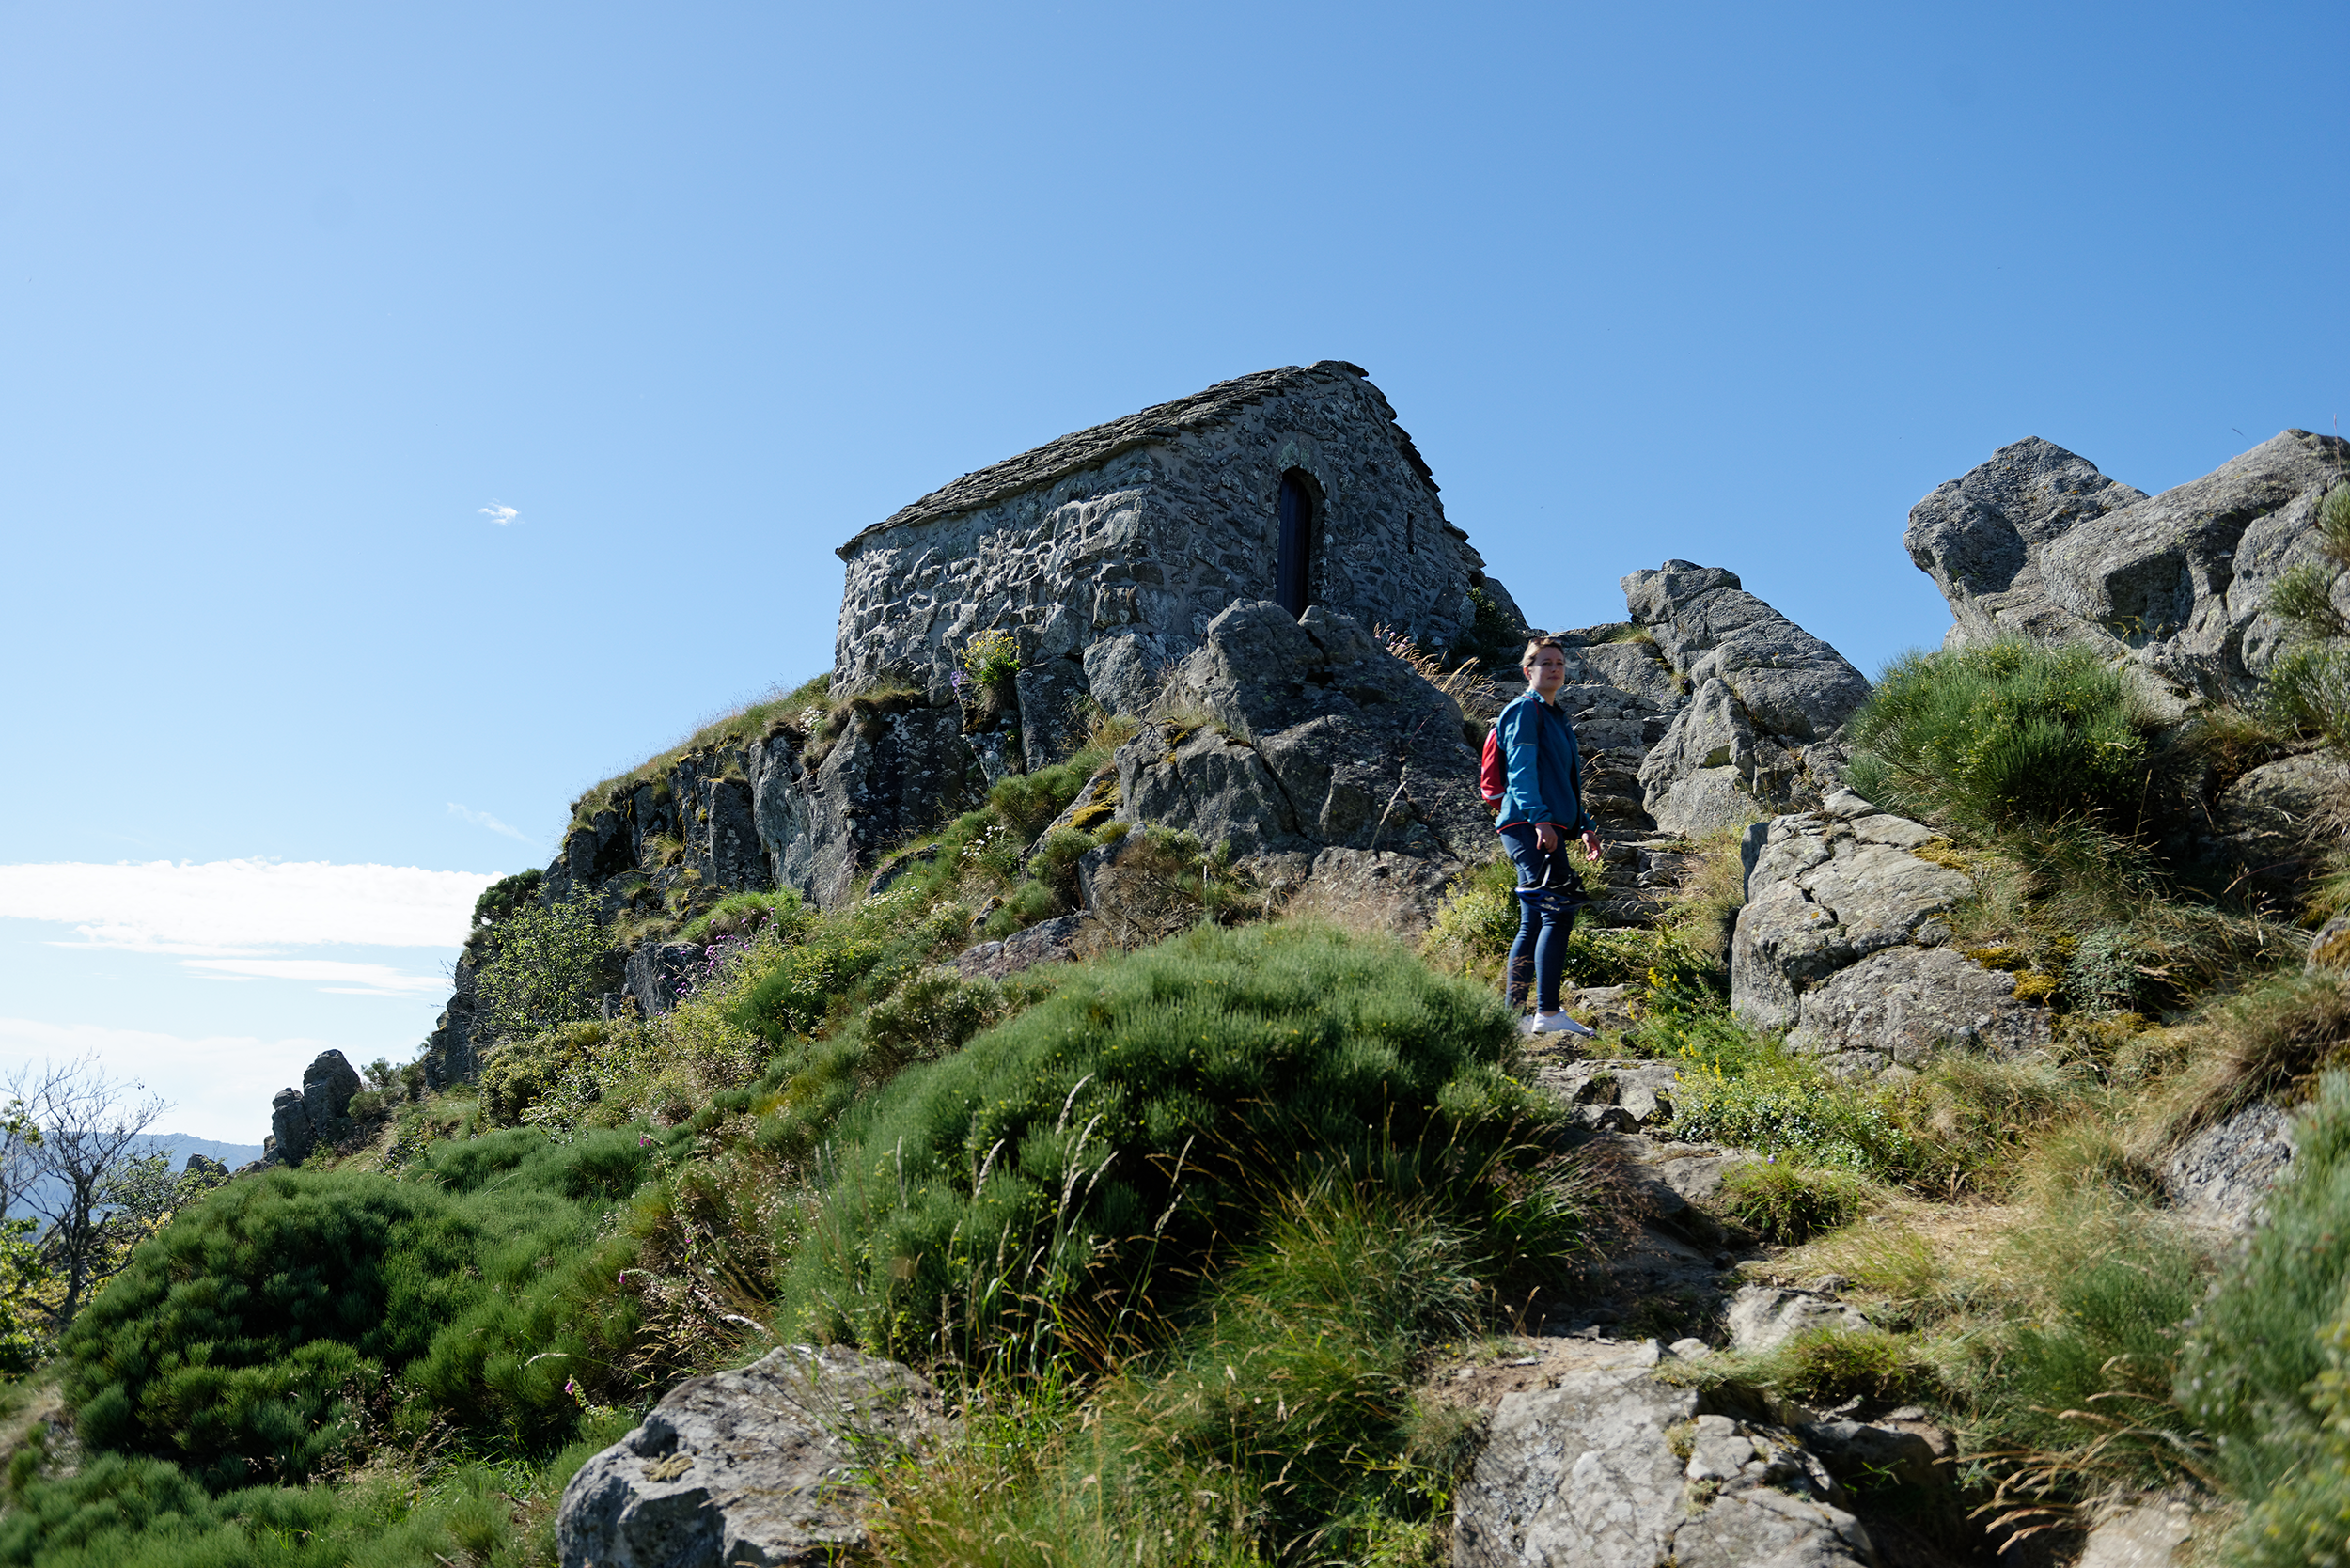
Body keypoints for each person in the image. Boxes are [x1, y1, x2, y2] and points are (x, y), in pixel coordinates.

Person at [1491, 637, 1605, 1037]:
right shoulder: (1524, 710)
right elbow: (1521, 773)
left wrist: (1585, 825)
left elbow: (1563, 782)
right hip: (1528, 825)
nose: (1554, 669)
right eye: (1544, 663)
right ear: (1528, 671)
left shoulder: (1556, 717)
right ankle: (1549, 1013)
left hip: (1547, 825)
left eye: (1559, 663)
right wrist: (1539, 820)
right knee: (1558, 910)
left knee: (1536, 919)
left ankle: (1514, 1018)